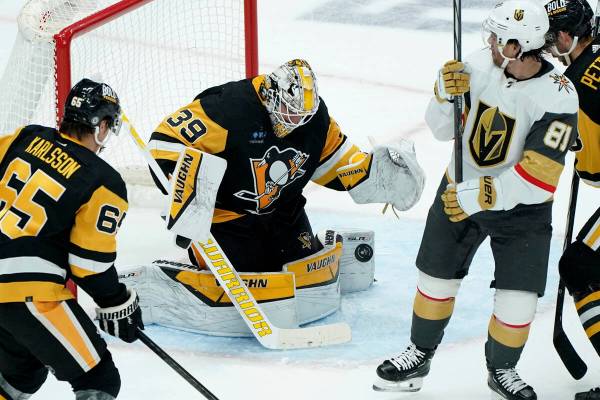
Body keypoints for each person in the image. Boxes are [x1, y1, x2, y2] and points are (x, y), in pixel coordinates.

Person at [373, 1, 578, 399]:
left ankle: (501, 370)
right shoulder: (478, 64)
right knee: (435, 278)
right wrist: (442, 95)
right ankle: (419, 353)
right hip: (458, 187)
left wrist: (483, 195)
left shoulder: (559, 97)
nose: (489, 42)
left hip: (522, 212)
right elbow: (438, 129)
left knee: (518, 303)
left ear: (518, 46)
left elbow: (540, 177)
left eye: (498, 39)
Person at [147, 58, 424, 273]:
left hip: (283, 209)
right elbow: (164, 141)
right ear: (270, 96)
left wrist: (372, 175)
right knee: (244, 272)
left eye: (302, 115)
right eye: (289, 112)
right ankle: (195, 255)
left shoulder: (315, 120)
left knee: (299, 267)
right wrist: (183, 189)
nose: (295, 121)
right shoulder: (228, 110)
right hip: (229, 216)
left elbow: (338, 161)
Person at [0, 78, 143, 400]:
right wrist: (116, 301)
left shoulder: (23, 138)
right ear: (102, 125)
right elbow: (89, 263)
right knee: (99, 379)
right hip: (27, 291)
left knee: (20, 375)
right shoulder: (103, 181)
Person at [544, 1, 600, 399]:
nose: (545, 46)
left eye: (550, 38)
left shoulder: (576, 88)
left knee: (579, 266)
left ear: (566, 37)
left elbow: (591, 170)